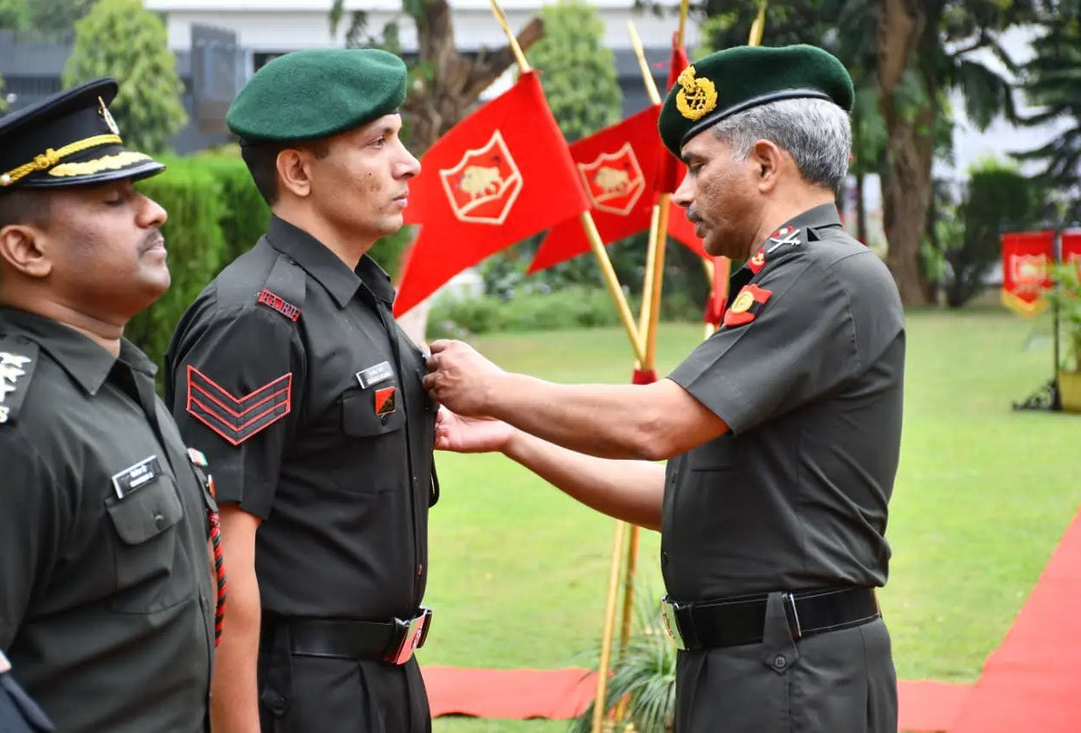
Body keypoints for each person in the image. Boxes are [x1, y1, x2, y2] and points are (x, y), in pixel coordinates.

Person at [424, 44, 904, 732]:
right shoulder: (796, 279)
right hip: (760, 665)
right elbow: (683, 500)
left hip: (791, 675)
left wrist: (496, 389)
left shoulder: (822, 277)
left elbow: (656, 425)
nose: (681, 193)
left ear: (765, 165)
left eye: (699, 165)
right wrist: (513, 437)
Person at [165, 48, 437, 733]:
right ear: (297, 172)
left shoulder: (355, 299)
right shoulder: (256, 318)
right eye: (378, 142)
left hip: (386, 680)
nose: (408, 163)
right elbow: (222, 565)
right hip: (305, 692)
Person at [0, 79, 217, 732]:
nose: (154, 212)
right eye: (114, 199)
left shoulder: (120, 380)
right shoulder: (12, 425)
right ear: (27, 250)